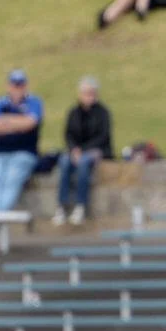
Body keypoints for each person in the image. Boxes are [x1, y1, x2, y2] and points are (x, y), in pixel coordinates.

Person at [55, 77, 113, 226]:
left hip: (96, 150)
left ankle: (81, 205)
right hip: (76, 150)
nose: (89, 96)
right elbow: (68, 134)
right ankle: (61, 205)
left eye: (91, 93)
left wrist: (83, 150)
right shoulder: (74, 112)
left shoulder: (102, 113)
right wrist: (74, 149)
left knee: (83, 163)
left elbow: (103, 136)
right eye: (86, 93)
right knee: (64, 162)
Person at [0, 70, 43, 212]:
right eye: (14, 84)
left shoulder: (34, 102)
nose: (17, 88)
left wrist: (6, 121)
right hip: (1, 153)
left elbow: (30, 123)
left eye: (20, 85)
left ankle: (1, 215)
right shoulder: (1, 103)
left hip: (24, 154)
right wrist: (18, 123)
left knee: (12, 179)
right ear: (9, 86)